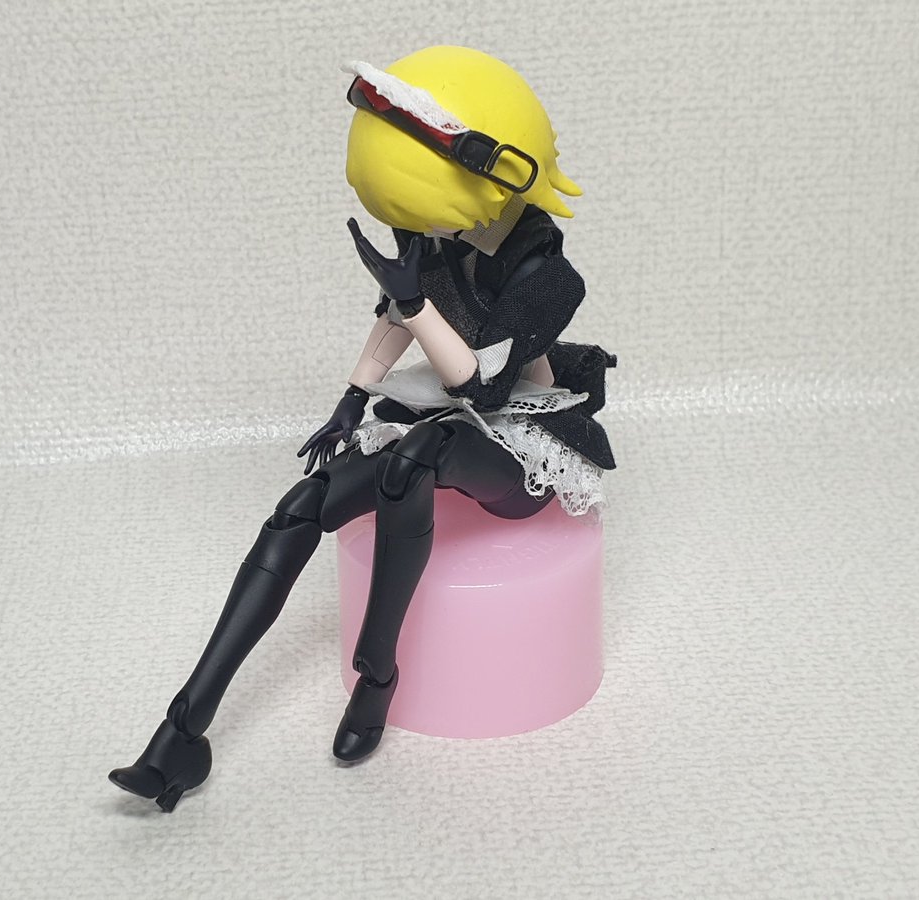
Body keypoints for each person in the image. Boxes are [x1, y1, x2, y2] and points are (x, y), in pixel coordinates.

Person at [109, 46, 616, 812]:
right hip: (448, 419)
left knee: (413, 462)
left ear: (500, 178)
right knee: (301, 505)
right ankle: (182, 731)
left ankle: (376, 680)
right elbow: (395, 322)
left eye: (421, 211)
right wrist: (354, 396)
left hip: (524, 443)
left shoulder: (548, 276)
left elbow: (481, 383)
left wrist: (415, 303)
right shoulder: (440, 235)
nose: (417, 232)